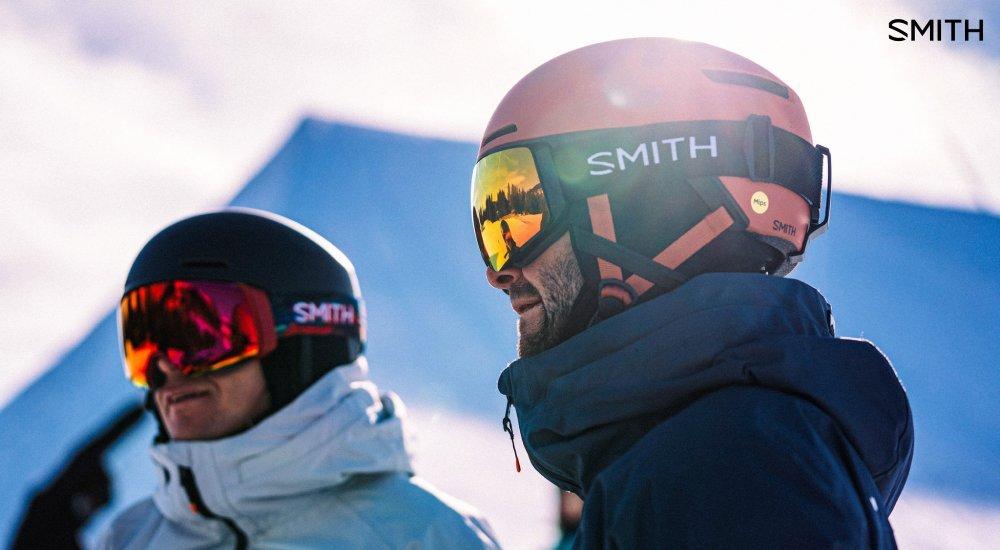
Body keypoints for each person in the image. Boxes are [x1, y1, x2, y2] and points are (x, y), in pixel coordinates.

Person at [469, 38, 913, 547]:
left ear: (644, 213)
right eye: (493, 219)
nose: (500, 271)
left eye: (523, 212)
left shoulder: (735, 471)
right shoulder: (700, 456)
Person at [100, 208, 499, 549]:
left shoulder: (423, 537)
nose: (165, 368)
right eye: (143, 343)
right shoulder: (127, 539)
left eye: (199, 336)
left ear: (297, 345)